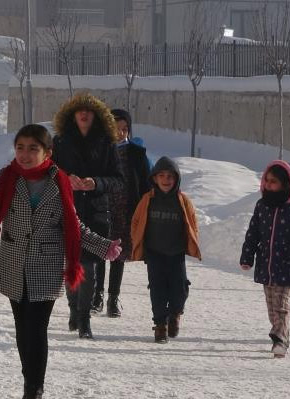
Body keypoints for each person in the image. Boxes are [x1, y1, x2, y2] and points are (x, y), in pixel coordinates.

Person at [0, 124, 120, 399]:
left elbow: (73, 224)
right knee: (21, 329)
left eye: (33, 149)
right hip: (14, 262)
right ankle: (29, 381)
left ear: (47, 152)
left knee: (36, 328)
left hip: (45, 264)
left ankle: (33, 392)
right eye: (20, 148)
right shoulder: (7, 178)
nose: (25, 155)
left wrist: (102, 246)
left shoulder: (59, 182)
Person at [51, 93, 124, 339]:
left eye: (89, 111)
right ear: (71, 115)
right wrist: (66, 179)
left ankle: (84, 318)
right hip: (67, 208)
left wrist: (96, 183)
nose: (84, 114)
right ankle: (73, 308)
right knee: (72, 263)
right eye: (79, 110)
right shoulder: (60, 141)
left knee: (89, 266)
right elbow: (48, 170)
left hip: (95, 211)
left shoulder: (107, 143)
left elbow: (117, 179)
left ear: (97, 115)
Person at [240, 160, 290, 358]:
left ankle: (280, 340)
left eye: (273, 181)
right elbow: (253, 233)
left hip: (287, 265)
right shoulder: (262, 206)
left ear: (287, 184)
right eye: (266, 180)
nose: (268, 184)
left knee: (282, 305)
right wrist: (247, 256)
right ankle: (281, 332)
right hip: (266, 265)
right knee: (272, 308)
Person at [129, 156, 201, 343]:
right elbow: (136, 221)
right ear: (154, 178)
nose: (166, 180)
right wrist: (138, 241)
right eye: (161, 175)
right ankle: (160, 325)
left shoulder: (182, 201)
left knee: (179, 289)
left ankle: (175, 314)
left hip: (176, 253)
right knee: (157, 289)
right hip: (154, 253)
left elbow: (192, 223)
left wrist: (191, 243)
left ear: (176, 179)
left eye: (170, 176)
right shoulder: (148, 199)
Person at [91, 108, 151, 317]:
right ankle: (96, 294)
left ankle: (113, 298)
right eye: (116, 129)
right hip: (102, 206)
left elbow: (145, 182)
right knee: (100, 250)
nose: (121, 133)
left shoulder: (136, 153)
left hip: (126, 209)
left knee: (118, 254)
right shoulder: (99, 152)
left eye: (125, 129)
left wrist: (143, 208)